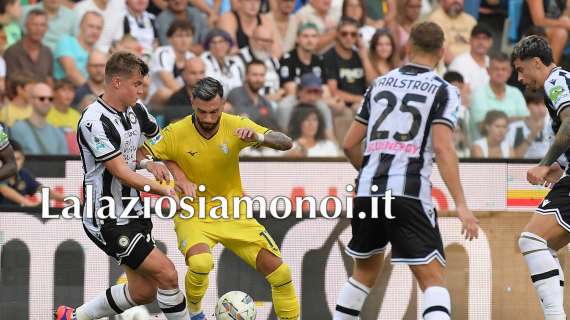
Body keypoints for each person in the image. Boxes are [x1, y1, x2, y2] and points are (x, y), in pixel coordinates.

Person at [334, 21, 479, 320]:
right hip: (407, 192)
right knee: (433, 279)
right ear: (441, 52)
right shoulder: (444, 91)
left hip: (367, 191)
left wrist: (372, 173)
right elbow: (442, 147)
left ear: (408, 47)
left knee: (363, 274)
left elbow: (349, 143)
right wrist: (462, 204)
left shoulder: (379, 84)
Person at [143, 77, 300, 320]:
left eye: (214, 112)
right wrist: (176, 175)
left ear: (224, 104)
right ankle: (195, 313)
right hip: (193, 211)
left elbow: (286, 142)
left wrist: (259, 137)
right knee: (200, 263)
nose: (207, 118)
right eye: (201, 111)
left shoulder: (236, 125)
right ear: (192, 102)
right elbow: (143, 152)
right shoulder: (176, 131)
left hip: (233, 212)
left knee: (281, 273)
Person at [54, 52, 190, 320]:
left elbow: (144, 145)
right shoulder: (94, 121)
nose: (143, 89)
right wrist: (161, 188)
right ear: (117, 82)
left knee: (143, 292)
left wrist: (149, 161)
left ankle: (72, 317)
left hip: (133, 210)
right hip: (107, 216)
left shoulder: (136, 109)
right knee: (168, 273)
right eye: (137, 84)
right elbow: (120, 171)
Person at [512, 35, 570, 320]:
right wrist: (559, 166)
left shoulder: (556, 81)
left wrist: (544, 163)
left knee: (533, 240)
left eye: (521, 69)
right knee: (541, 245)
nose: (520, 78)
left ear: (537, 63)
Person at [468, 52, 528, 141]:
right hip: (482, 151)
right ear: (488, 71)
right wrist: (514, 120)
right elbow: (483, 128)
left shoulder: (516, 93)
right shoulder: (478, 94)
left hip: (513, 150)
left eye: (504, 69)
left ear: (509, 72)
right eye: (496, 69)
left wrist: (494, 123)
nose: (500, 73)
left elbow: (526, 122)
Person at [0, 139, 66, 206]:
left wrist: (71, 200)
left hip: (15, 215)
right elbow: (4, 190)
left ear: (23, 159)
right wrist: (30, 205)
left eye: (18, 159)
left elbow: (46, 192)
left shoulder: (24, 175)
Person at [11, 82, 69, 155]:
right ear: (31, 100)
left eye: (50, 99)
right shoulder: (18, 128)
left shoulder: (58, 133)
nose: (46, 102)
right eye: (41, 98)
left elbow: (63, 162)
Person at [4, 8, 53, 83]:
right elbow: (11, 83)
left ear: (46, 28)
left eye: (42, 25)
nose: (38, 29)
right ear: (26, 26)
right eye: (34, 24)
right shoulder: (12, 52)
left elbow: (49, 79)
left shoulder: (47, 52)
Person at [447, 23, 493, 93]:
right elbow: (462, 93)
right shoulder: (459, 62)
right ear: (470, 40)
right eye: (477, 38)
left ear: (490, 42)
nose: (481, 42)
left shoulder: (492, 63)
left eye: (485, 38)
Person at [507, 90, 552, 159]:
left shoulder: (552, 125)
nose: (541, 109)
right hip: (522, 167)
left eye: (544, 104)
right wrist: (533, 133)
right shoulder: (514, 127)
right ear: (526, 105)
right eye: (536, 104)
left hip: (546, 167)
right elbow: (515, 157)